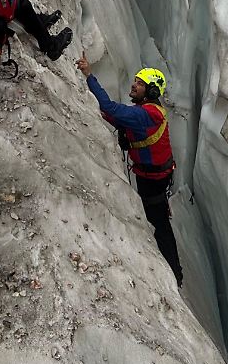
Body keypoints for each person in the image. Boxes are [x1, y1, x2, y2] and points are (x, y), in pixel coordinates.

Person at [75, 55, 183, 287]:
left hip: (152, 180)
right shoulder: (145, 112)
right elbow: (115, 116)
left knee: (158, 222)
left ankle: (174, 273)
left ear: (152, 92)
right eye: (135, 81)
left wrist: (89, 76)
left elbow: (109, 108)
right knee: (157, 218)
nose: (134, 85)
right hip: (152, 176)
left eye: (140, 83)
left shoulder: (148, 114)